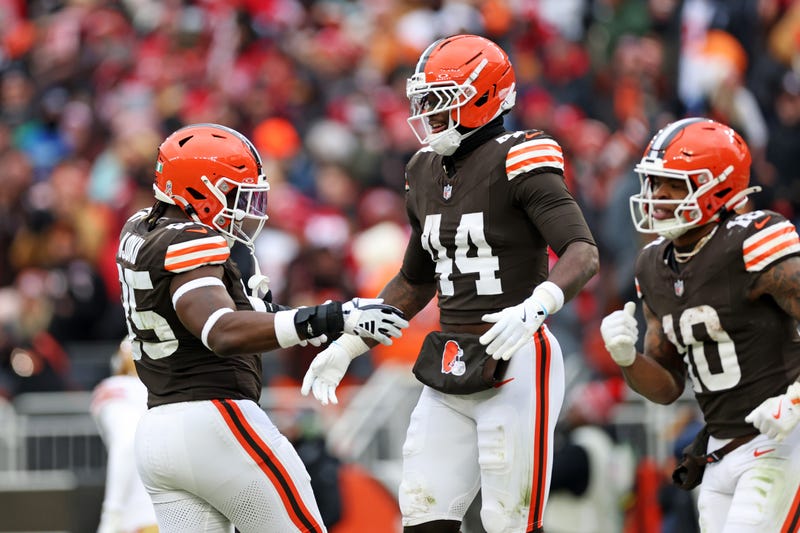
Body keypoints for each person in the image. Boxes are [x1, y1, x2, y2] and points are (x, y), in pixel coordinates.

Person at [302, 34, 599, 533]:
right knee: (422, 516)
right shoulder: (422, 169)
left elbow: (582, 251)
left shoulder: (520, 156)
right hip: (450, 361)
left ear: (483, 96)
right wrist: (351, 343)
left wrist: (536, 306)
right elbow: (414, 281)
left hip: (516, 359)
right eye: (425, 100)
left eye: (441, 99)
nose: (429, 113)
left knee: (509, 522)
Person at [115, 123, 409, 533]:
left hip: (159, 432)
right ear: (200, 189)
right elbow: (221, 328)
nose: (245, 208)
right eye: (235, 193)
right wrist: (336, 316)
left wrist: (331, 321)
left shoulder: (141, 230)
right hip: (215, 420)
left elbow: (246, 311)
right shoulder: (190, 241)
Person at [600, 117, 800, 532]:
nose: (658, 195)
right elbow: (667, 387)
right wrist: (626, 358)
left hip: (782, 438)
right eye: (654, 182)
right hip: (719, 450)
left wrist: (797, 399)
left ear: (719, 187)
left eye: (674, 184)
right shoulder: (652, 265)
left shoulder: (752, 241)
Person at [90, 338, 158, 533]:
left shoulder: (117, 388)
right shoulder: (175, 390)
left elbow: (125, 444)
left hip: (142, 517)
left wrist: (112, 512)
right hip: (170, 511)